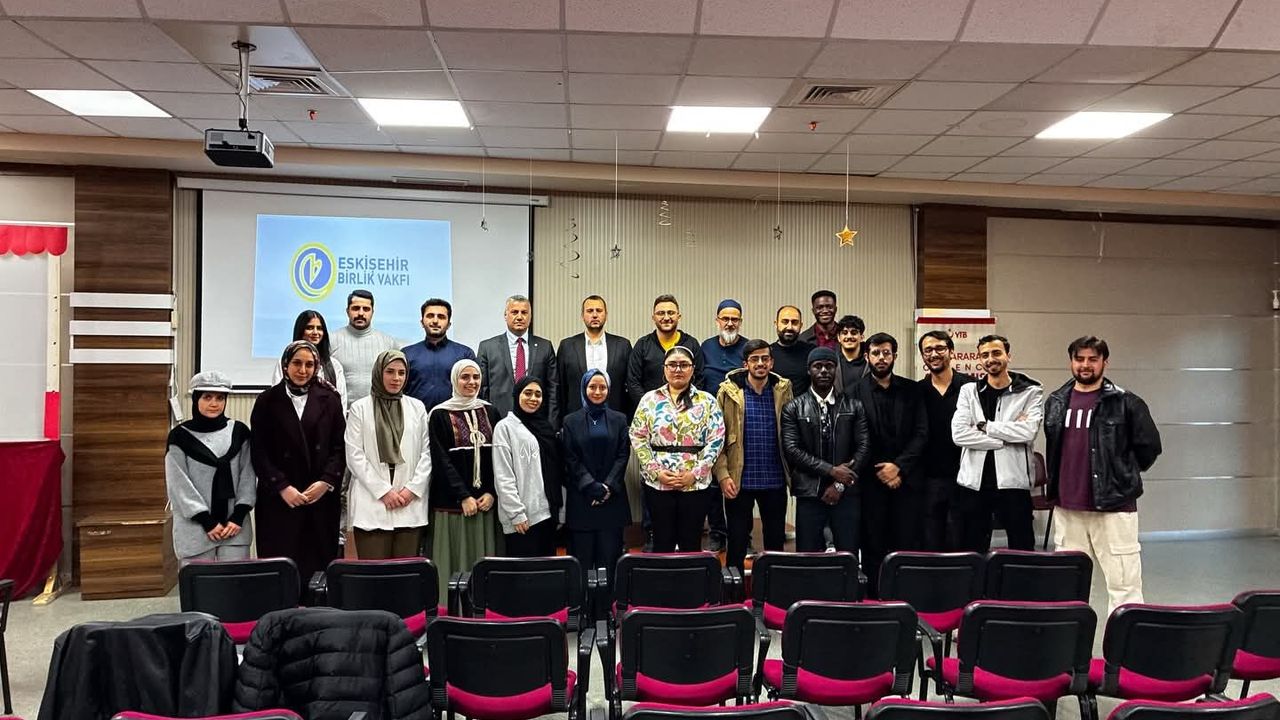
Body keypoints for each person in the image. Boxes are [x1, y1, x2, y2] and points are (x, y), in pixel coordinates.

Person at [1044, 336, 1162, 615]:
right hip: (1067, 508)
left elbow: (1149, 447)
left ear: (1104, 363)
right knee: (1068, 586)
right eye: (1079, 359)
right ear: (1071, 362)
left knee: (1124, 585)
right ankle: (1070, 638)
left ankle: (1124, 640)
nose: (1085, 365)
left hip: (1114, 508)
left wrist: (1121, 476)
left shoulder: (1126, 402)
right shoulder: (1056, 401)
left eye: (1092, 359)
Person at [250, 341, 346, 583]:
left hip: (319, 498)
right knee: (281, 572)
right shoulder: (267, 401)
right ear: (285, 365)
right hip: (280, 499)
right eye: (297, 363)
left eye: (309, 365)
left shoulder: (330, 399)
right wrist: (282, 487)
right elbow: (259, 451)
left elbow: (340, 447)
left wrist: (326, 482)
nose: (303, 370)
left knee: (317, 571)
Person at [850, 332, 927, 597]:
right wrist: (882, 470)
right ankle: (874, 599)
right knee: (873, 545)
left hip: (907, 482)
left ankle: (905, 599)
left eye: (886, 353)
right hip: (870, 484)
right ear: (866, 357)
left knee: (906, 544)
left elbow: (921, 433)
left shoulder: (913, 390)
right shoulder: (853, 393)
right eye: (875, 353)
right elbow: (855, 440)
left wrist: (899, 467)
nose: (881, 358)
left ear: (895, 356)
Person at [951, 334, 1043, 554]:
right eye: (985, 355)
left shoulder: (1030, 391)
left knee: (1022, 548)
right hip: (974, 483)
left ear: (1008, 356)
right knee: (972, 549)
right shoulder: (969, 391)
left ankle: (1018, 579)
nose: (990, 359)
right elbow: (959, 434)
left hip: (1014, 482)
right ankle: (977, 580)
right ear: (980, 359)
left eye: (996, 353)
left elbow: (1028, 432)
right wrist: (1004, 439)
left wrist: (985, 426)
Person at [629, 346, 725, 552]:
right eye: (672, 365)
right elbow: (637, 436)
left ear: (693, 369)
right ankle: (664, 574)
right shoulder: (649, 400)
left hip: (695, 484)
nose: (678, 369)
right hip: (658, 482)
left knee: (691, 542)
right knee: (662, 541)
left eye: (684, 365)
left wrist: (695, 473)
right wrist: (655, 471)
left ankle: (690, 575)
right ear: (664, 369)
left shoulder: (707, 401)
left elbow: (717, 439)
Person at [715, 340, 796, 571]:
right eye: (754, 359)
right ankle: (734, 590)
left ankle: (772, 588)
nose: (760, 363)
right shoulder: (728, 392)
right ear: (745, 364)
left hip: (775, 478)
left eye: (765, 359)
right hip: (738, 479)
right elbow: (717, 438)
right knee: (737, 542)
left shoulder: (782, 390)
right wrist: (722, 475)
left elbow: (792, 432)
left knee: (775, 544)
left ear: (771, 362)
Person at [780, 347, 869, 555]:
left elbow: (863, 447)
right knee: (808, 556)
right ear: (808, 370)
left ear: (836, 370)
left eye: (829, 366)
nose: (823, 371)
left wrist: (839, 483)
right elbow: (792, 449)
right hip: (810, 492)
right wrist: (831, 471)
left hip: (845, 492)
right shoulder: (793, 407)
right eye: (817, 366)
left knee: (848, 555)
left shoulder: (854, 406)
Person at [344, 350, 432, 559]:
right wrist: (383, 491)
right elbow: (354, 455)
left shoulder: (417, 407)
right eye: (390, 371)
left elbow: (426, 453)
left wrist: (412, 490)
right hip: (372, 503)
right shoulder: (359, 408)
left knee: (406, 574)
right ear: (378, 372)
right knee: (374, 574)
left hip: (409, 504)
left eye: (402, 373)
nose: (396, 378)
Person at [427, 359, 503, 595]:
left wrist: (491, 492)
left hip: (485, 504)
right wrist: (463, 496)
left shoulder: (491, 412)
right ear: (454, 380)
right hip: (452, 505)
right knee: (453, 561)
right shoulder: (439, 414)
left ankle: (483, 606)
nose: (471, 382)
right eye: (465, 377)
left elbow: (499, 458)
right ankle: (450, 609)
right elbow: (440, 461)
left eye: (476, 377)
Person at [165, 371, 255, 562]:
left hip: (234, 530)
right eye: (207, 397)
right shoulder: (179, 436)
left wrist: (238, 517)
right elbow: (178, 485)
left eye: (220, 398)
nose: (214, 403)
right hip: (195, 529)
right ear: (196, 399)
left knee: (234, 580)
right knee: (199, 580)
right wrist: (206, 521)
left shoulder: (239, 432)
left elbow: (248, 477)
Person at [562, 370, 631, 580]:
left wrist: (607, 487)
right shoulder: (570, 421)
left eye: (603, 387)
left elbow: (623, 455)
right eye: (592, 387)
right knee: (582, 562)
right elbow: (570, 458)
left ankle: (608, 600)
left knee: (610, 560)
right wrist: (590, 486)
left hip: (612, 500)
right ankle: (583, 601)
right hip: (582, 500)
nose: (598, 391)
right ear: (584, 388)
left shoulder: (620, 419)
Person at [917, 330, 977, 551]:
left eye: (940, 348)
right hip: (929, 479)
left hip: (967, 476)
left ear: (951, 352)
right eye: (928, 350)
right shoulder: (916, 391)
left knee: (964, 541)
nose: (934, 354)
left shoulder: (972, 387)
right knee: (931, 542)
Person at [493, 376, 563, 557]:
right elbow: (503, 476)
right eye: (528, 393)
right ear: (517, 395)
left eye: (538, 394)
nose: (533, 398)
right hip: (522, 520)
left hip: (547, 515)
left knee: (547, 569)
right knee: (523, 571)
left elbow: (555, 471)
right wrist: (516, 513)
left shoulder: (545, 427)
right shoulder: (505, 427)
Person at [478, 294, 559, 419]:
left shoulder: (545, 346)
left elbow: (553, 389)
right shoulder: (487, 347)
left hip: (536, 419)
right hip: (499, 418)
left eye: (524, 313)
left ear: (530, 317)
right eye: (514, 312)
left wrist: (551, 423)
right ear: (505, 315)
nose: (520, 317)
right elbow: (482, 389)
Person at [557, 295, 632, 420]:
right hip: (576, 420)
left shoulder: (623, 345)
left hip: (614, 419)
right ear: (582, 316)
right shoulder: (567, 346)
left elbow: (629, 386)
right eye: (590, 311)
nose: (595, 315)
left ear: (606, 315)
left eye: (599, 310)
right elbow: (560, 388)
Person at [626, 294, 705, 408]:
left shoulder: (691, 344)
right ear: (653, 317)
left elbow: (699, 379)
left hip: (686, 410)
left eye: (671, 313)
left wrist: (684, 406)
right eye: (661, 313)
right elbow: (633, 382)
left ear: (679, 316)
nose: (666, 317)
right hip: (650, 411)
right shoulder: (642, 345)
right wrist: (650, 407)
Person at [404, 298, 476, 412]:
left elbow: (474, 391)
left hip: (455, 417)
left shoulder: (464, 354)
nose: (435, 321)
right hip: (416, 417)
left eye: (441, 317)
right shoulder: (407, 354)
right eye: (430, 316)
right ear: (422, 322)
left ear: (449, 324)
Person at [330, 290, 401, 406]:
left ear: (373, 312)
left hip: (378, 412)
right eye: (356, 308)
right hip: (341, 412)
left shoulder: (389, 343)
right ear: (347, 311)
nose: (361, 313)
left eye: (366, 309)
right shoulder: (331, 341)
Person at [270, 310, 348, 408]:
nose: (315, 332)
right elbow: (276, 397)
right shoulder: (286, 362)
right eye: (310, 328)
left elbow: (341, 402)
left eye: (319, 328)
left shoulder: (334, 365)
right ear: (301, 330)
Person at [701, 299, 749, 391]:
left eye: (734, 319)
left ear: (740, 322)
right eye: (725, 319)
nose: (730, 324)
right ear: (717, 321)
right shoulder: (706, 346)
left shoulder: (749, 348)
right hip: (709, 399)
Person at [770, 305, 816, 396]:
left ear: (801, 325)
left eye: (794, 322)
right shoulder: (767, 354)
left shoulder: (812, 352)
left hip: (804, 404)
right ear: (776, 324)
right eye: (785, 322)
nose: (789, 327)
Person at [834, 315, 869, 396]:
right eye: (844, 333)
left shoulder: (871, 361)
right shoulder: (831, 361)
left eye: (854, 333)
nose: (849, 336)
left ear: (862, 337)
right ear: (838, 338)